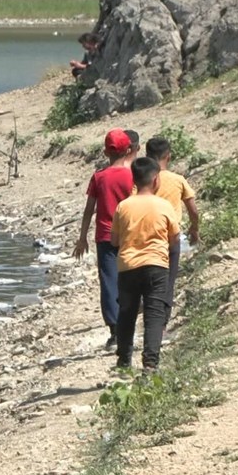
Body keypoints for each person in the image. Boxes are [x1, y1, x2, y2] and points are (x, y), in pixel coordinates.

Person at [110, 156, 180, 371]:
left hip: (128, 266)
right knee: (154, 313)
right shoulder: (164, 206)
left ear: (134, 180)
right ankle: (150, 363)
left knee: (127, 312)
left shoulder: (123, 207)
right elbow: (174, 238)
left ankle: (123, 360)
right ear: (156, 180)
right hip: (156, 265)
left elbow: (114, 240)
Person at [73, 129, 135, 350]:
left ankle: (115, 331)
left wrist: (82, 238)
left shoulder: (99, 177)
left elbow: (89, 210)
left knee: (109, 282)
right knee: (130, 281)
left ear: (105, 151)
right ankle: (130, 325)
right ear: (129, 150)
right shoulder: (133, 175)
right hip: (130, 234)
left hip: (106, 236)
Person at [144, 137, 200, 319]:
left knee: (149, 280)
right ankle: (161, 324)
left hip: (146, 237)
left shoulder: (142, 182)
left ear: (146, 156)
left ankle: (149, 313)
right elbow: (193, 210)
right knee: (167, 281)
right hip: (170, 237)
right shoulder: (178, 180)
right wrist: (194, 229)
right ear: (168, 156)